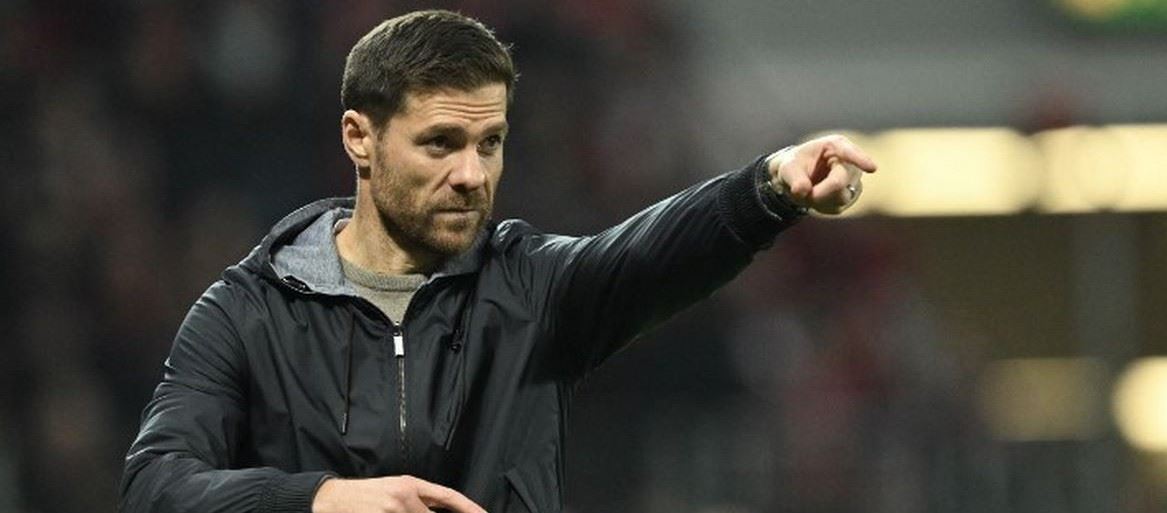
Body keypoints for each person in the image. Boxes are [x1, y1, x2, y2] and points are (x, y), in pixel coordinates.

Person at [119, 9, 876, 513]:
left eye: (490, 143)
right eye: (441, 143)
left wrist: (769, 187)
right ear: (359, 138)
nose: (472, 174)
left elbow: (653, 252)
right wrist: (322, 499)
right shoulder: (247, 312)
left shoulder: (529, 288)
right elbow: (156, 483)